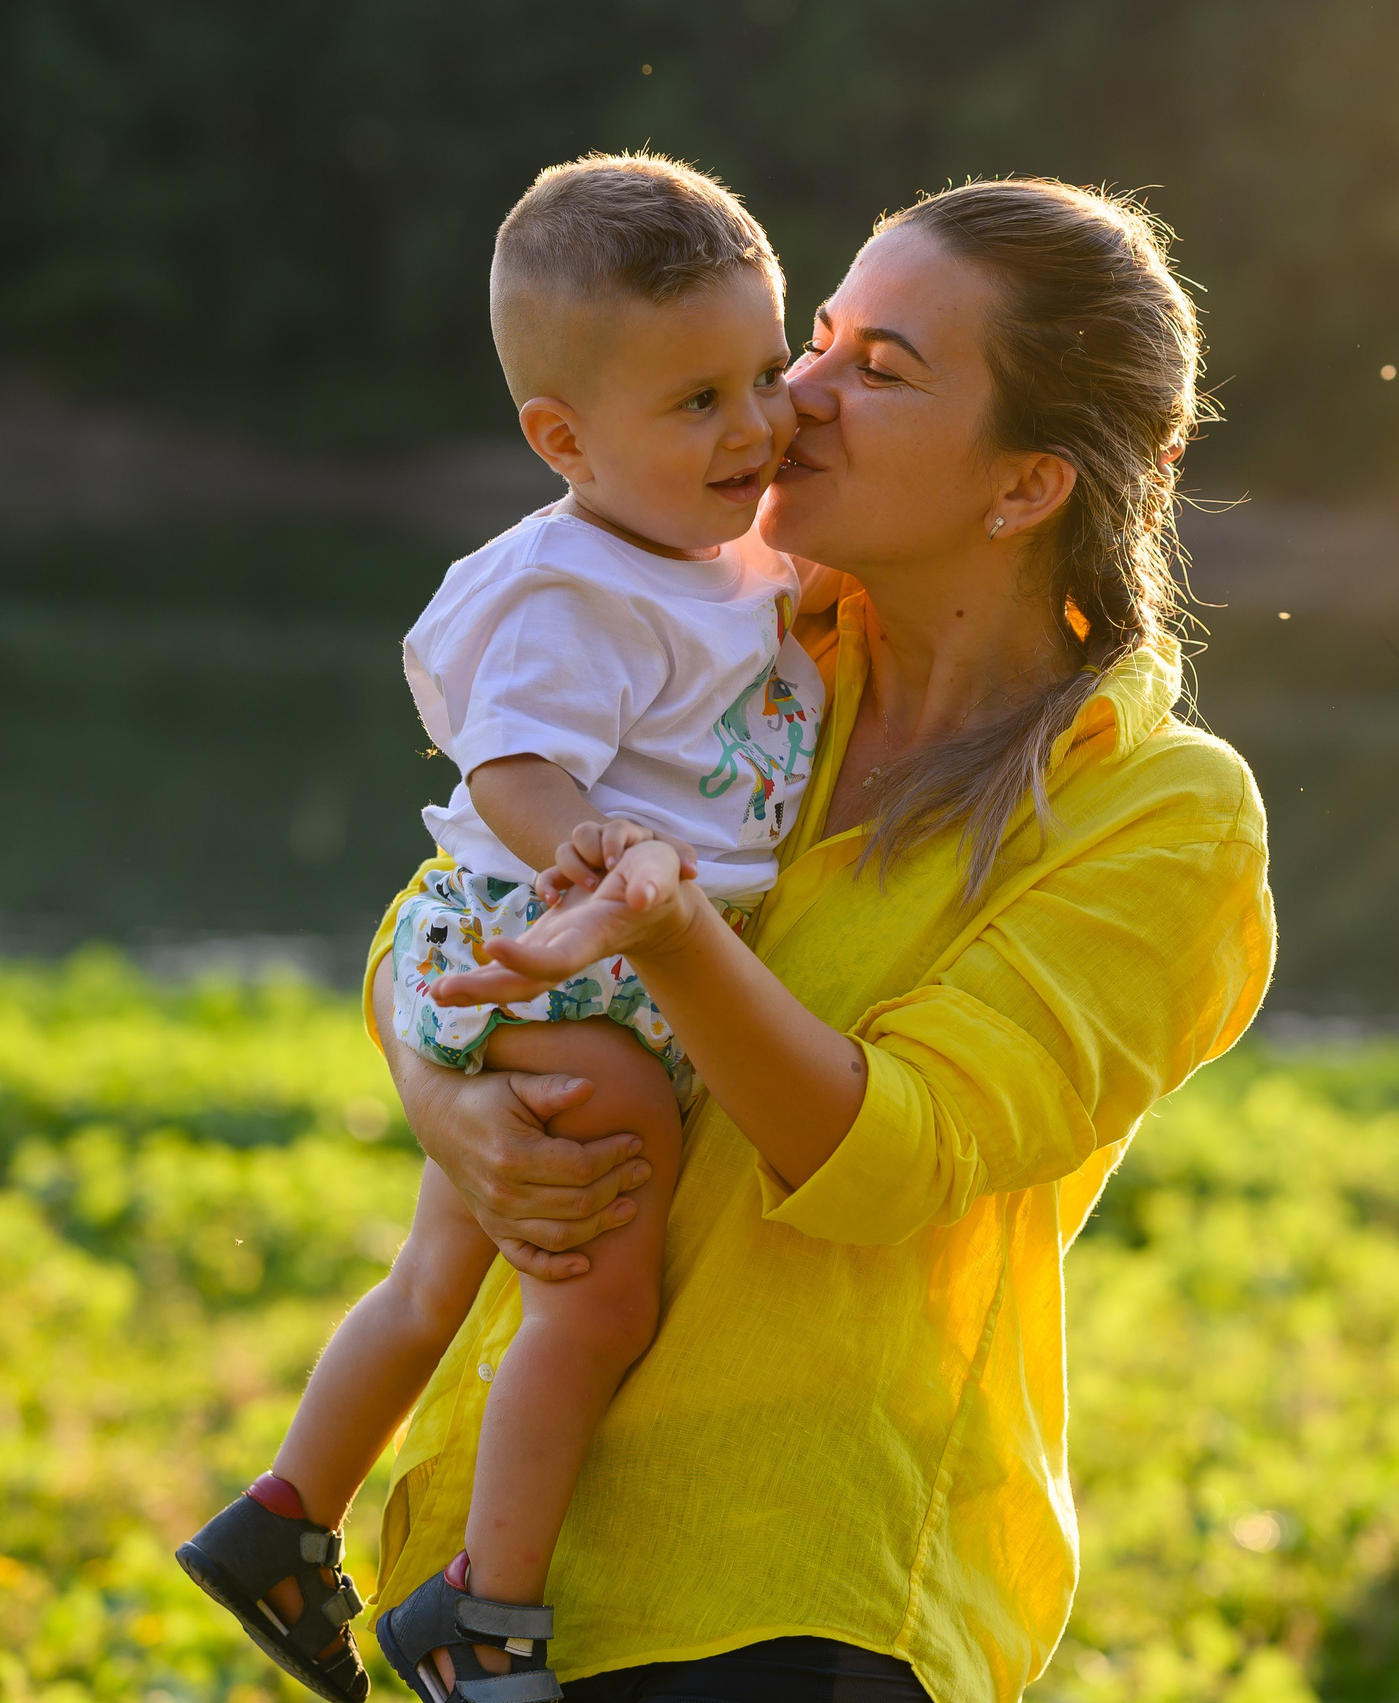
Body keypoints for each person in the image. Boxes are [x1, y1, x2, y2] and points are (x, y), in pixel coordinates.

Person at [358, 178, 1277, 1703]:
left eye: (881, 369)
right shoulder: (758, 651)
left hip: (802, 1601)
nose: (799, 395)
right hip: (514, 1571)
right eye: (823, 338)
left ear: (1026, 485)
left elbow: (890, 1159)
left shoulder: (1163, 817)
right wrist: (443, 1094)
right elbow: (452, 898)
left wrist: (659, 928)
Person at [176, 152, 819, 1703]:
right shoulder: (570, 589)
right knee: (596, 1300)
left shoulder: (726, 548)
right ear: (560, 437)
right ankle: (485, 1605)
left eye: (764, 375)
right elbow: (513, 764)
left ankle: (283, 1516)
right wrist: (591, 853)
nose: (752, 429)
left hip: (594, 955)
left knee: (433, 1282)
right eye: (695, 405)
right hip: (560, 962)